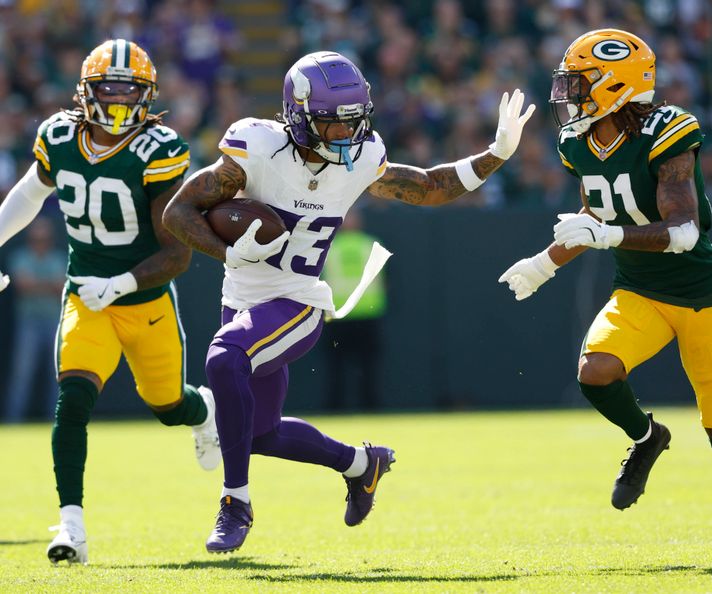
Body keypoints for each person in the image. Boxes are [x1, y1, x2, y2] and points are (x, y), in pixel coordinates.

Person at [163, 50, 534, 554]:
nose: (345, 135)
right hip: (243, 300)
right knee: (259, 435)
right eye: (331, 124)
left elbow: (427, 187)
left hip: (298, 300)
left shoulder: (361, 157)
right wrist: (229, 250)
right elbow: (177, 213)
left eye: (353, 122)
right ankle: (362, 465)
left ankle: (236, 504)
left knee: (224, 357)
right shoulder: (256, 148)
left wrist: (496, 154)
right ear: (296, 116)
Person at [498, 29, 712, 564]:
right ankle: (648, 437)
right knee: (596, 370)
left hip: (699, 294)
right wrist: (543, 265)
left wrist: (605, 237)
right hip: (640, 291)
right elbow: (593, 216)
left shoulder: (667, 131)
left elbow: (683, 232)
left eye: (581, 85)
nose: (570, 97)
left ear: (615, 85)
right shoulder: (578, 143)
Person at [0, 39, 222, 565]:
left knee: (169, 407)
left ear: (147, 96)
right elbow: (32, 194)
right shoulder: (57, 137)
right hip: (85, 298)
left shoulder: (160, 149)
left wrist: (120, 283)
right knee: (73, 398)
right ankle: (71, 524)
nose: (121, 102)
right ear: (86, 92)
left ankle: (203, 410)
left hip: (144, 301)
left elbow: (178, 253)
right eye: (110, 90)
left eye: (131, 92)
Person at [320, 208, 387, 411]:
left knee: (339, 366)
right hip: (363, 312)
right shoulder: (370, 245)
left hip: (340, 313)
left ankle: (337, 407)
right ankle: (368, 406)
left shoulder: (329, 247)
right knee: (364, 366)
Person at [3, 217, 64, 422]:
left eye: (44, 237)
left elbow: (60, 287)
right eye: (37, 237)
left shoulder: (58, 257)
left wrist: (36, 285)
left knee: (56, 375)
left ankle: (56, 419)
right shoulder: (20, 256)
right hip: (28, 323)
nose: (40, 240)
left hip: (54, 323)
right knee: (22, 375)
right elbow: (23, 286)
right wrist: (48, 285)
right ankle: (14, 421)